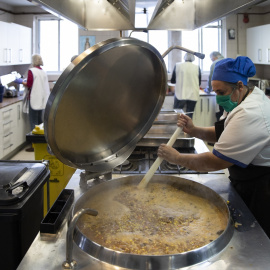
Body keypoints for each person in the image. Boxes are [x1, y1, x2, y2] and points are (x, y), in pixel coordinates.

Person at [158, 56, 270, 237]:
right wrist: (193, 130)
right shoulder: (240, 100)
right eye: (215, 91)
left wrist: (177, 158)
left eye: (221, 92)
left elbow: (215, 162)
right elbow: (223, 132)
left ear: (239, 86)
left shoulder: (251, 112)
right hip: (246, 178)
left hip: (261, 187)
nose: (218, 98)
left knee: (258, 238)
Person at [22, 54, 50, 152]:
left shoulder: (32, 71)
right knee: (40, 123)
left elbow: (29, 84)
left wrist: (21, 82)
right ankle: (41, 144)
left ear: (33, 61)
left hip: (34, 99)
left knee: (33, 121)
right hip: (42, 100)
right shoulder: (43, 71)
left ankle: (34, 145)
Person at [171, 52, 201, 119]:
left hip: (180, 93)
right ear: (193, 59)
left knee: (177, 115)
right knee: (189, 115)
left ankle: (177, 129)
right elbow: (199, 82)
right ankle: (188, 129)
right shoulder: (197, 67)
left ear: (184, 58)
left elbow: (172, 81)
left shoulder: (178, 65)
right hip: (193, 94)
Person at [205, 51, 225, 121]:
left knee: (219, 114)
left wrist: (208, 89)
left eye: (211, 59)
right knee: (227, 114)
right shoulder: (228, 61)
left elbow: (211, 77)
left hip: (220, 92)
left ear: (214, 57)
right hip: (230, 93)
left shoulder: (215, 63)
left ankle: (219, 131)